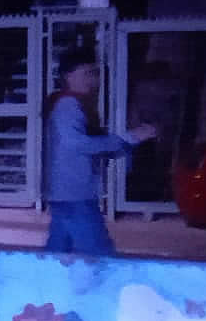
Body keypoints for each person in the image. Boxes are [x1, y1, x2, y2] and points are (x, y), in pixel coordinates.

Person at [43, 47, 157, 256]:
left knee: (58, 253)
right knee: (100, 256)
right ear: (68, 76)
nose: (93, 80)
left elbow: (87, 145)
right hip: (75, 191)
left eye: (95, 73)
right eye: (87, 73)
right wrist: (129, 138)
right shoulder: (69, 105)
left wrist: (127, 141)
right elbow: (78, 144)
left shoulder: (70, 104)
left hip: (67, 191)